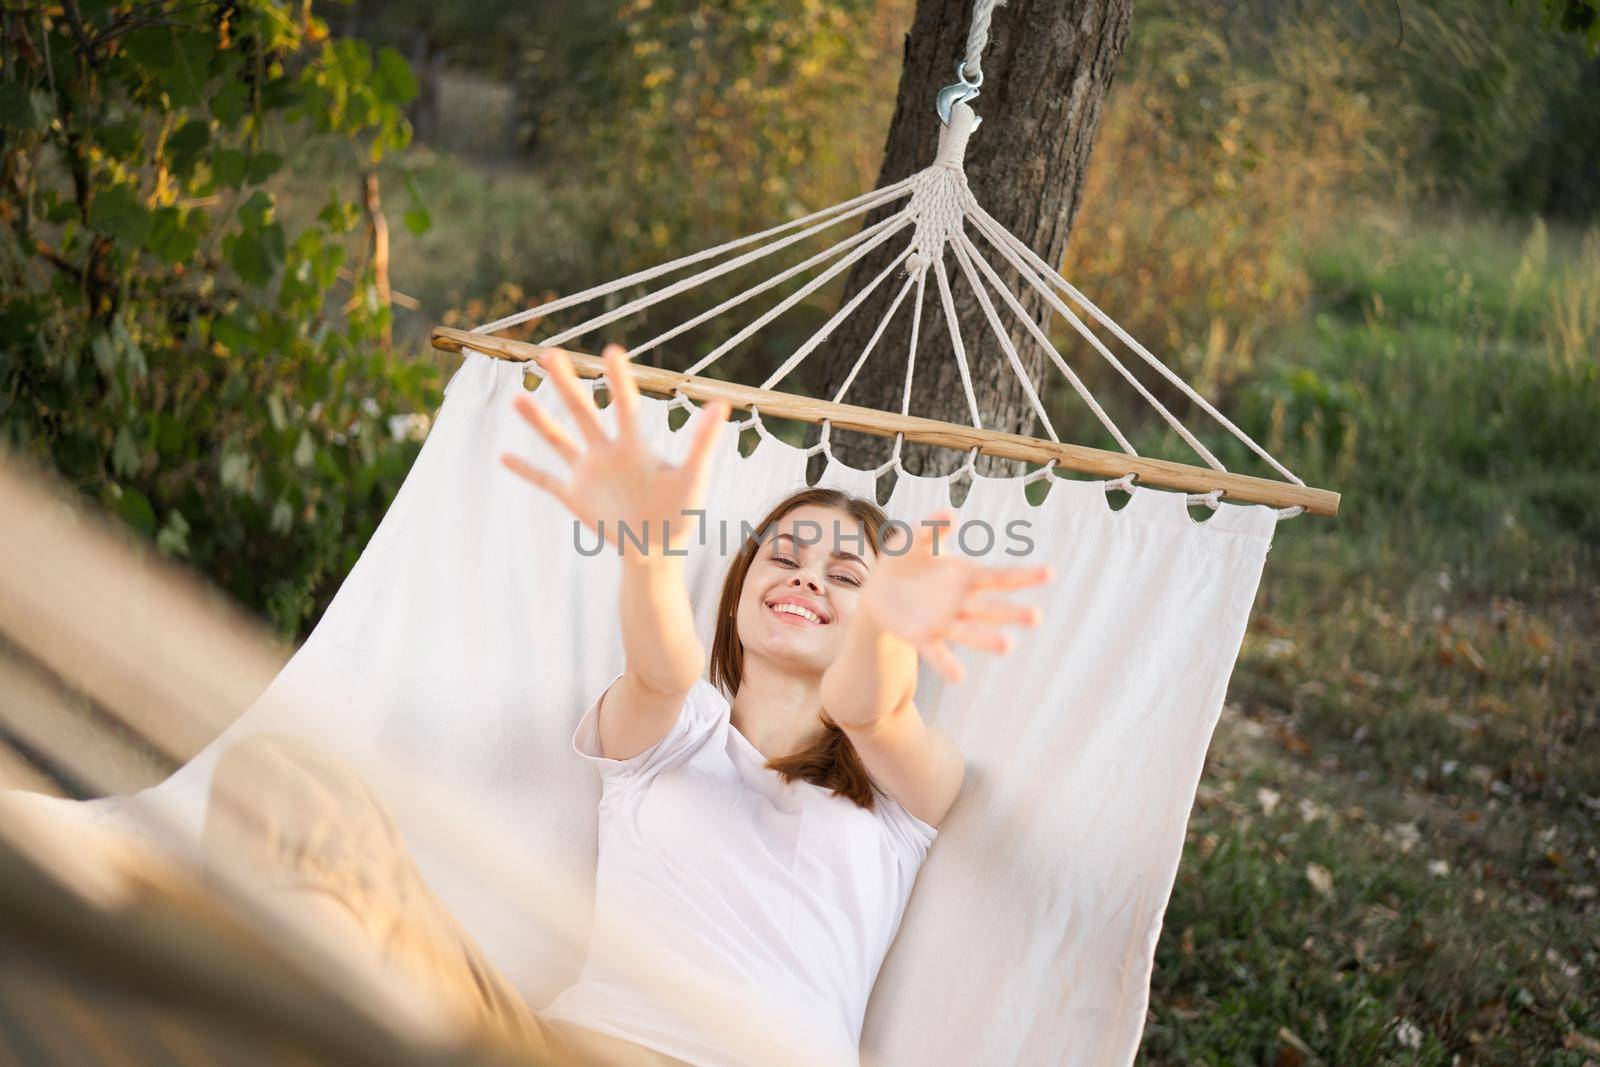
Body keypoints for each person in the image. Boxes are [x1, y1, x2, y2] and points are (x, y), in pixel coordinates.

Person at [204, 344, 1051, 1067]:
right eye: (784, 556)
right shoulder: (676, 734)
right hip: (563, 1048)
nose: (805, 576)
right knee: (278, 780)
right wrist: (648, 560)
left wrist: (886, 630)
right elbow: (661, 671)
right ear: (737, 594)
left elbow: (871, 706)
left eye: (845, 575)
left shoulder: (901, 787)